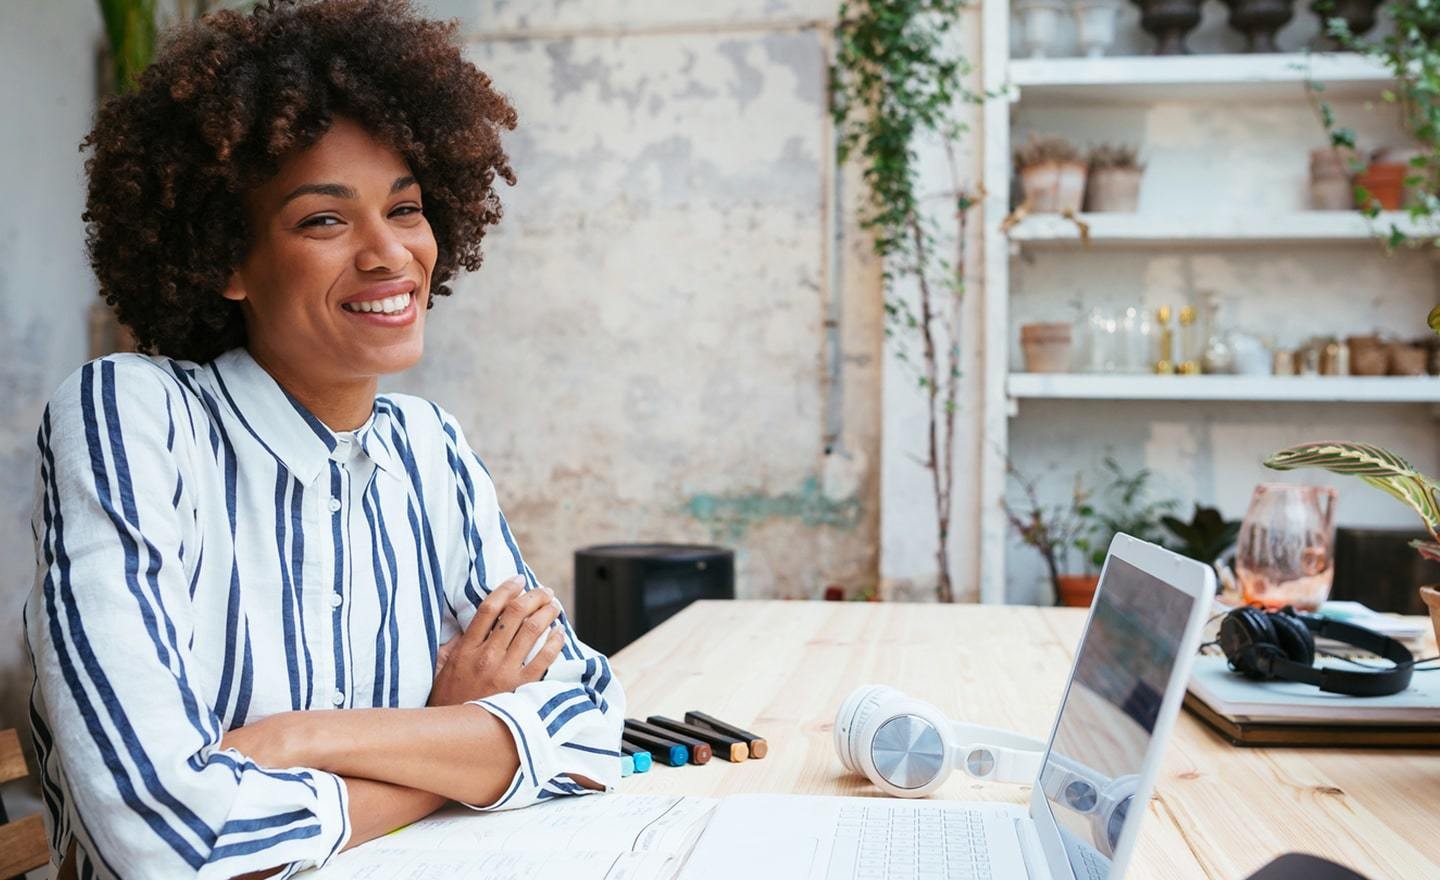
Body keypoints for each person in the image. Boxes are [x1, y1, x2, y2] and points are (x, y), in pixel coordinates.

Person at [23, 1, 625, 876]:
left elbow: (592, 730)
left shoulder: (431, 448)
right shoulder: (131, 418)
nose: (390, 254)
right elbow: (172, 843)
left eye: (407, 208)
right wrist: (448, 752)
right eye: (324, 220)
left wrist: (298, 739)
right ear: (226, 258)